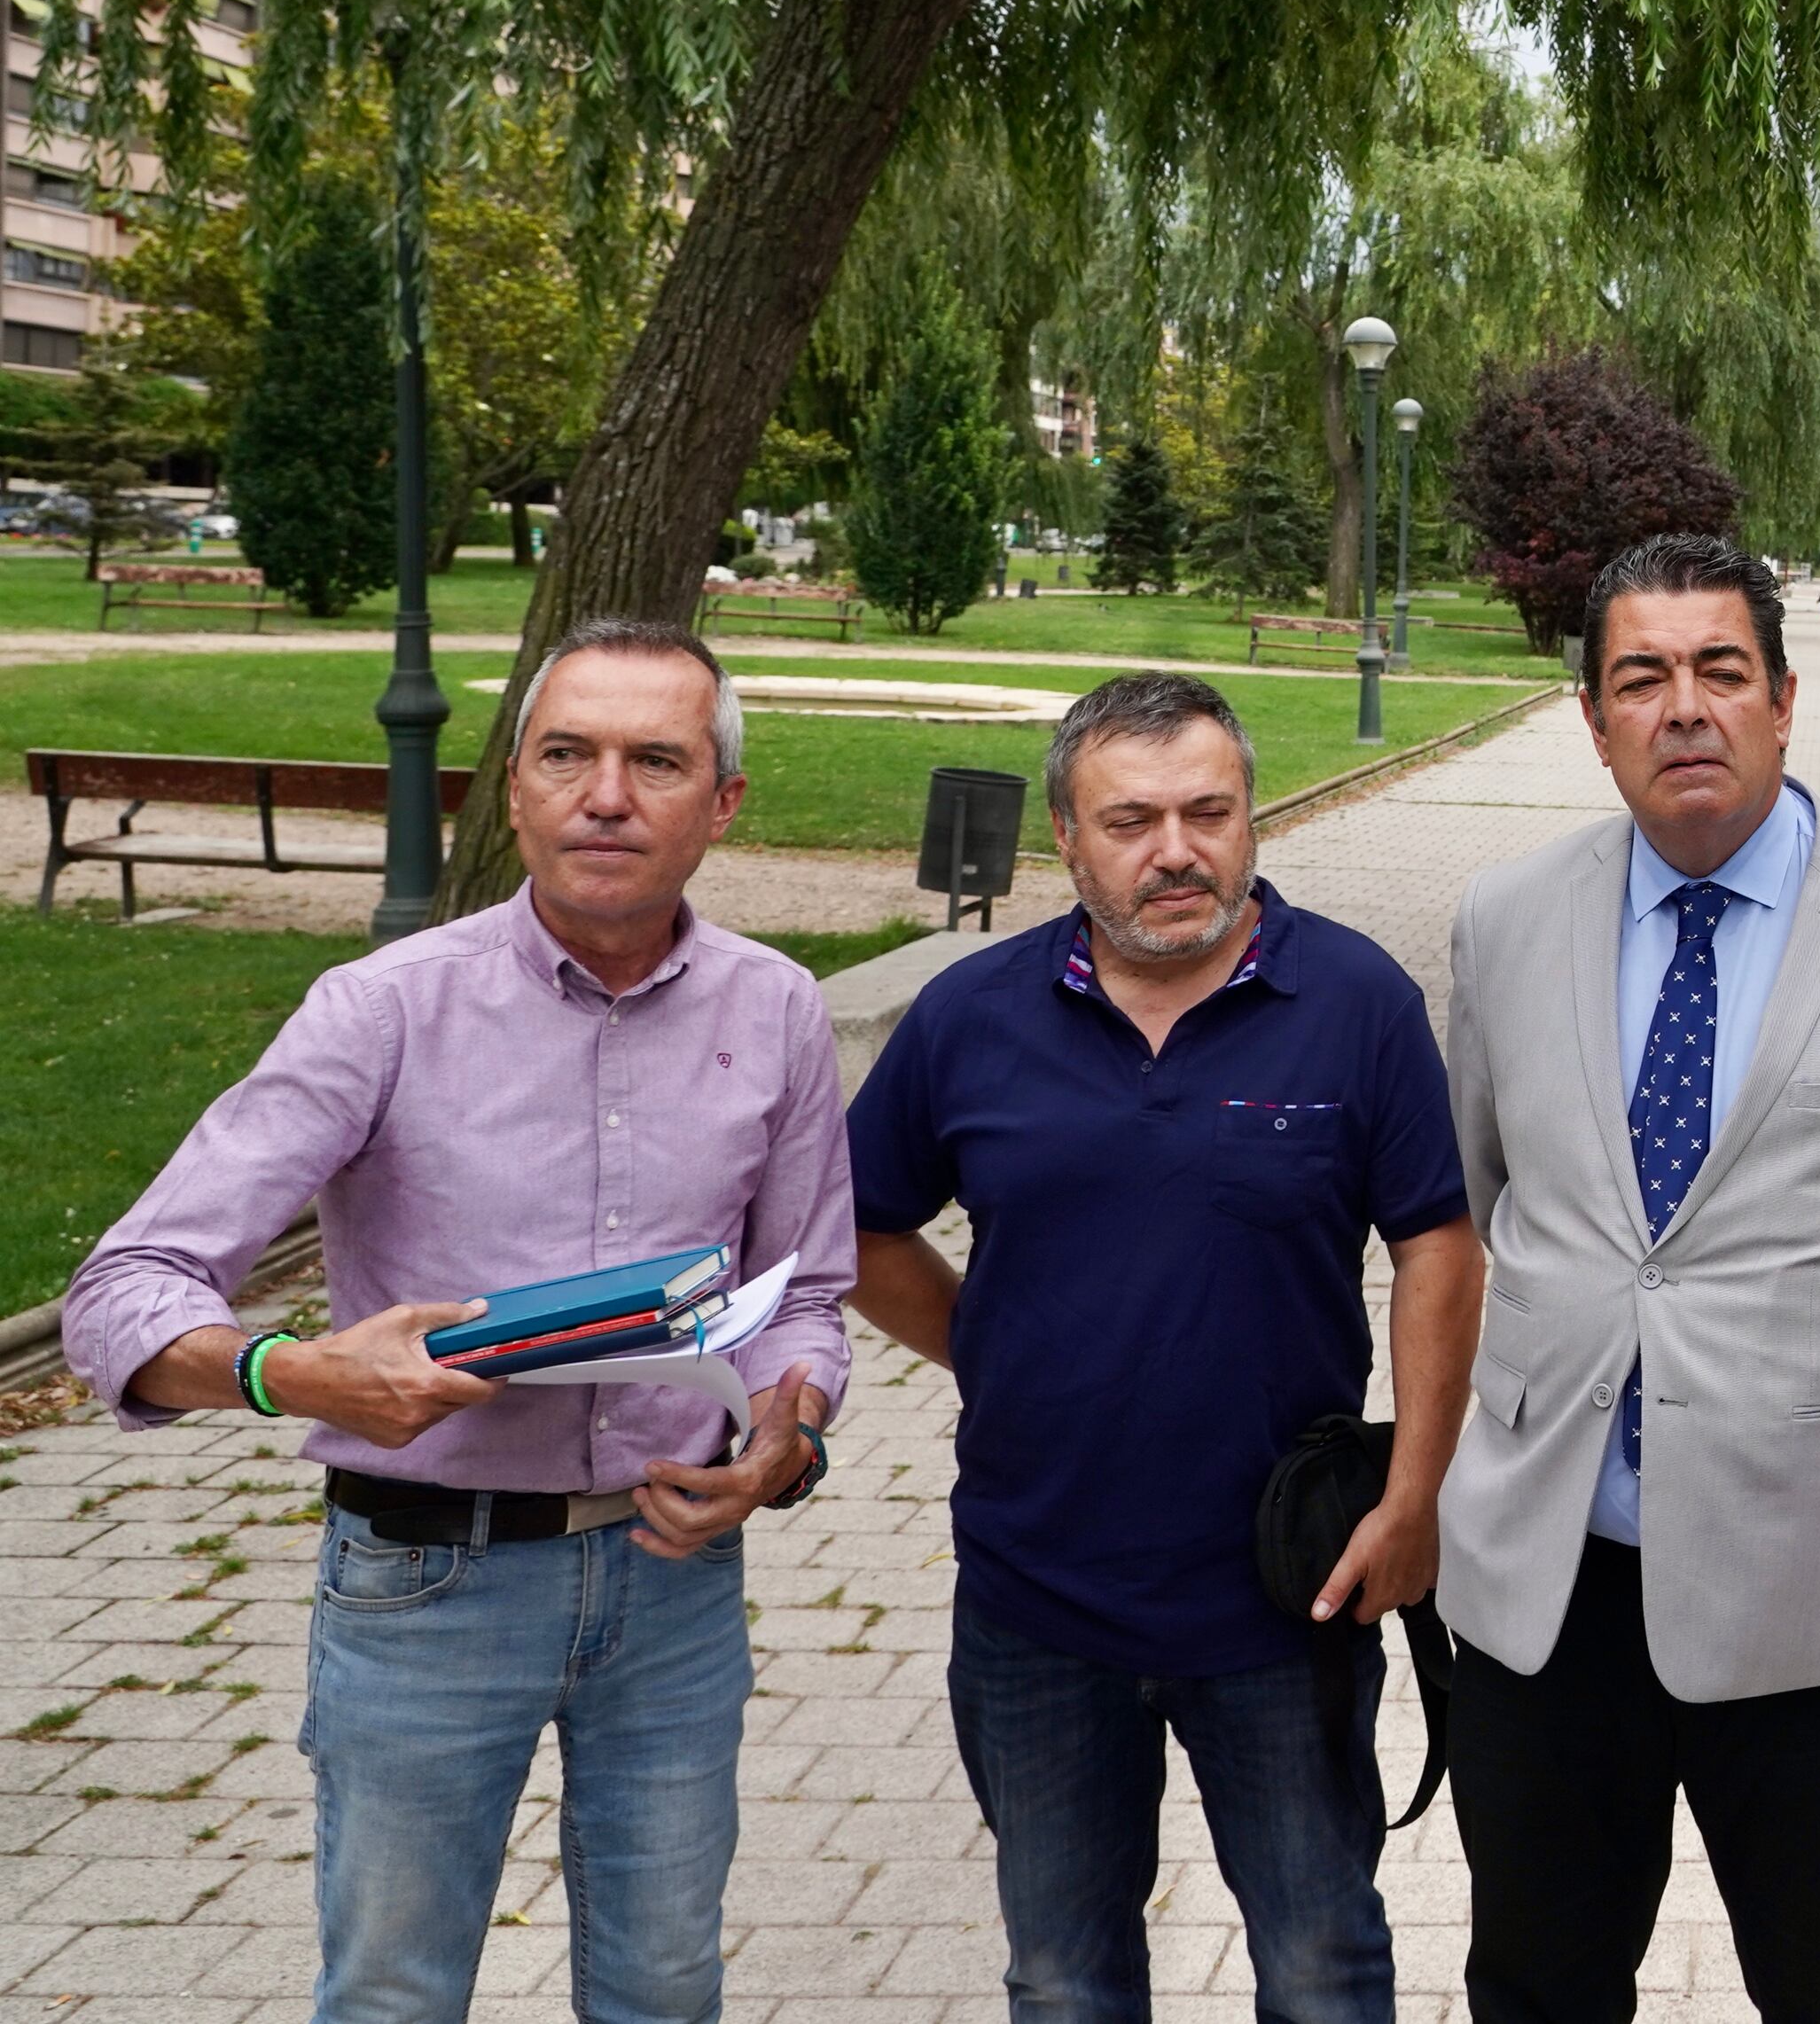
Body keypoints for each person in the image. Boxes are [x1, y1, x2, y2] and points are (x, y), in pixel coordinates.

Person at [60, 620, 855, 2024]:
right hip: (426, 1583)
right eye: (567, 753)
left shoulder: (778, 1008)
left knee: (666, 1988)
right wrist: (292, 1370)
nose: (606, 793)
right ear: (514, 787)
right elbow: (123, 1289)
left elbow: (802, 1289)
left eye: (655, 759)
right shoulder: (382, 1011)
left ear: (721, 802)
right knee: (393, 1995)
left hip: (672, 1581)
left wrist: (786, 1436)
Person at [1433, 531, 1820, 2024]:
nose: (1685, 707)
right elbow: (1482, 1193)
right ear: (1593, 719)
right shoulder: (1504, 922)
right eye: (1641, 677)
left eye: (1722, 670)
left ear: (1787, 699)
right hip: (1554, 1582)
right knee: (1534, 1984)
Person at [844, 671, 1475, 2024]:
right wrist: (992, 1346)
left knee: (1323, 1965)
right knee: (1064, 1976)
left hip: (1284, 1593)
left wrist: (1416, 1494)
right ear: (1067, 841)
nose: (1175, 849)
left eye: (1209, 810)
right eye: (1130, 818)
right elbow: (857, 1224)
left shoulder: (1357, 1001)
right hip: (1036, 1598)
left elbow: (1439, 1246)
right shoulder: (970, 1017)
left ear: (1251, 822)